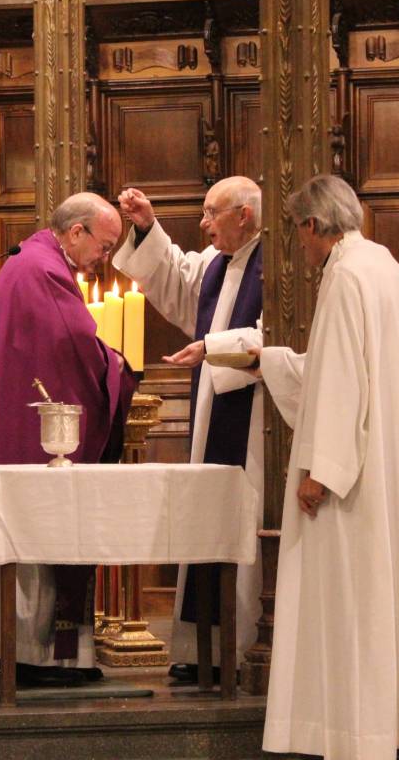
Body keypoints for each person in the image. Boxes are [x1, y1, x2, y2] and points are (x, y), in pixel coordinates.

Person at [256, 176, 399, 759]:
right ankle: (392, 731)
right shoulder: (383, 265)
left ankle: (360, 736)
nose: (301, 248)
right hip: (388, 465)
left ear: (310, 226)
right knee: (388, 607)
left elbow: (343, 385)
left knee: (355, 607)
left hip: (357, 484)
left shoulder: (345, 276)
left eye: (298, 233)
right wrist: (270, 360)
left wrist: (320, 473)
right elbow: (343, 368)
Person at [0, 192, 137, 687]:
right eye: (105, 244)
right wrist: (116, 366)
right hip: (37, 440)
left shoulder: (32, 261)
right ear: (77, 232)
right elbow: (75, 342)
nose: (106, 256)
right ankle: (36, 658)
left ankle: (29, 654)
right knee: (42, 537)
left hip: (18, 429)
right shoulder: (44, 271)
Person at [114, 176, 263, 682]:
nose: (203, 225)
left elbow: (284, 336)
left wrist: (213, 347)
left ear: (242, 215)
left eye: (210, 214)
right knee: (210, 517)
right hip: (213, 411)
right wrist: (147, 226)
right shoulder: (219, 265)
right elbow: (177, 277)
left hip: (257, 421)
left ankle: (243, 645)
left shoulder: (279, 269)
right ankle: (205, 648)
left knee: (241, 518)